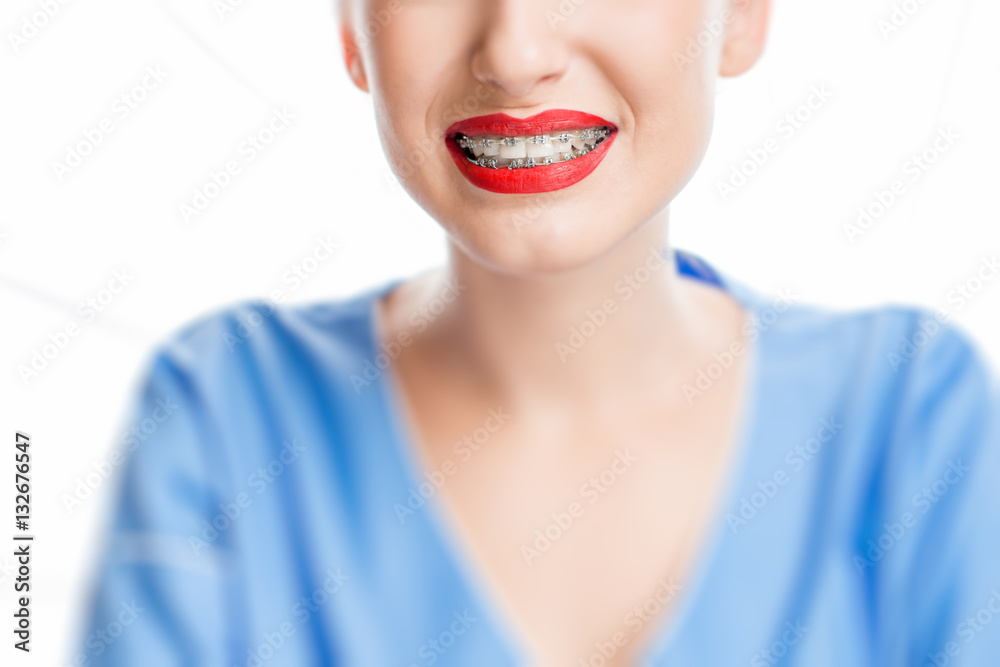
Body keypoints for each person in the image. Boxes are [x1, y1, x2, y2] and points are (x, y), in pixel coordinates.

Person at [78, 0, 1000, 665]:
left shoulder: (910, 418)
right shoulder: (224, 415)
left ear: (746, 12)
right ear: (350, 28)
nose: (516, 50)